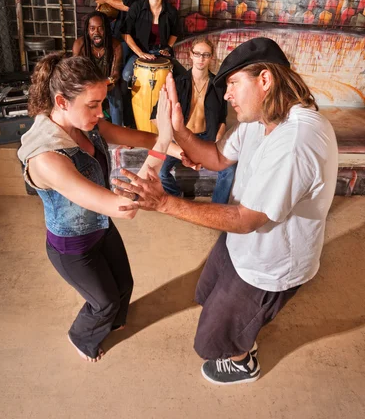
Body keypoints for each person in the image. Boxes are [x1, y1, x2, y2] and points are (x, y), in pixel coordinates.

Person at [112, 37, 339, 385]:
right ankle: (239, 329)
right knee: (206, 290)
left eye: (233, 83)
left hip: (271, 262)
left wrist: (163, 202)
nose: (227, 94)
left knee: (211, 342)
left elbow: (247, 219)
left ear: (264, 80)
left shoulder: (296, 141)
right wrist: (178, 129)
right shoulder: (257, 119)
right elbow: (217, 158)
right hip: (241, 242)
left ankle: (243, 361)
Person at [17, 53, 174, 363]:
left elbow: (139, 137)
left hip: (101, 227)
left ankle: (114, 322)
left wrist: (180, 149)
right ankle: (82, 338)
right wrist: (165, 142)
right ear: (61, 102)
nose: (100, 112)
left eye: (101, 102)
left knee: (124, 285)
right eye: (92, 105)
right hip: (72, 248)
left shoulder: (86, 124)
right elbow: (126, 207)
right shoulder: (47, 158)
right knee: (103, 302)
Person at [154, 36, 236, 203]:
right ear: (190, 55)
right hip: (180, 138)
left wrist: (219, 139)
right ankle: (177, 197)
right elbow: (156, 115)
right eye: (197, 54)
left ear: (211, 57)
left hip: (206, 138)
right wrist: (169, 138)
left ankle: (217, 207)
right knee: (161, 171)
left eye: (205, 55)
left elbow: (222, 118)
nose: (201, 59)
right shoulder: (178, 83)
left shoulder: (218, 86)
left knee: (229, 169)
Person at [122, 0, 186, 83]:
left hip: (161, 54)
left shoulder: (171, 11)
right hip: (140, 52)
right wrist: (140, 53)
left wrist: (168, 47)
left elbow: (175, 33)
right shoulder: (137, 7)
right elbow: (125, 33)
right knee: (127, 76)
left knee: (183, 77)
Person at [72, 11, 124, 125]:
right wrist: (91, 85)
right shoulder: (80, 45)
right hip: (88, 85)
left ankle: (117, 131)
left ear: (106, 29)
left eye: (100, 28)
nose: (96, 32)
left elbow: (116, 73)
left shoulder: (115, 45)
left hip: (108, 84)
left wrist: (107, 82)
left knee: (116, 98)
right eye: (92, 28)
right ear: (87, 30)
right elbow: (76, 73)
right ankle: (86, 129)